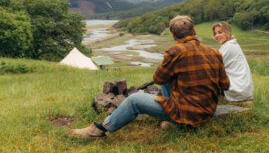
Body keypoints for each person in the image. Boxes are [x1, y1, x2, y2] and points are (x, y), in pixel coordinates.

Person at [68, 15, 230, 139]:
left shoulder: (174, 51)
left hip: (188, 113)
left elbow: (158, 79)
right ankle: (172, 121)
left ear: (174, 37)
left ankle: (98, 130)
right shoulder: (215, 53)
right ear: (194, 32)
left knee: (134, 100)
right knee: (169, 79)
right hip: (207, 112)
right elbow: (225, 85)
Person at [212, 21, 253, 102]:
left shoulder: (229, 46)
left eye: (220, 32)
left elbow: (214, 66)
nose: (217, 36)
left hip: (237, 89)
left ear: (227, 32)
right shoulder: (230, 45)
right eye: (215, 33)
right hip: (242, 88)